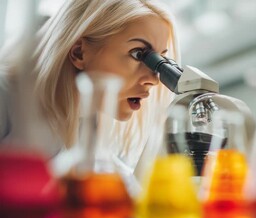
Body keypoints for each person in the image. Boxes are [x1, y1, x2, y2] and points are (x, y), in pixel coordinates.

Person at [0, 0, 179, 182]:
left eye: (160, 60)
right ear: (79, 53)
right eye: (138, 54)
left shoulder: (82, 135)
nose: (153, 79)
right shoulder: (5, 98)